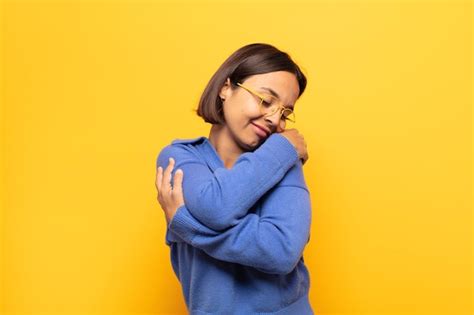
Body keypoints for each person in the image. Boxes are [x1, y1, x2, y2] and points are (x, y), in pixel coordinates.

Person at [155, 43, 313, 314]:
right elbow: (216, 207)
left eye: (285, 112)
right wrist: (284, 147)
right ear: (225, 88)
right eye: (265, 100)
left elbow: (281, 251)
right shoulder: (180, 157)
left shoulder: (284, 164)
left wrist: (188, 226)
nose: (276, 119)